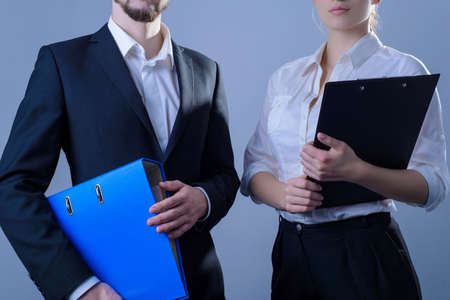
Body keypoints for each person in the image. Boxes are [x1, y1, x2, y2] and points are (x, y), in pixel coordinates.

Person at [0, 0, 240, 299]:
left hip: (200, 288)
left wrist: (203, 200)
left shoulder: (206, 71)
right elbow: (13, 187)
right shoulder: (62, 63)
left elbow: (225, 174)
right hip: (111, 289)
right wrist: (81, 288)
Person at [241, 0, 449, 299]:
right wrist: (283, 195)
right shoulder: (285, 77)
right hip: (292, 253)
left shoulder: (403, 71)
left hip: (364, 252)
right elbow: (255, 166)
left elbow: (434, 185)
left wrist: (357, 171)